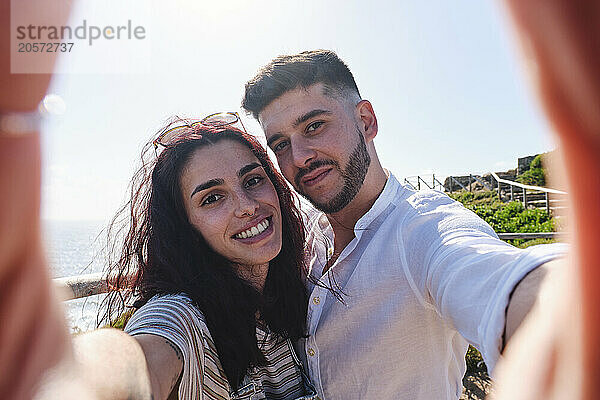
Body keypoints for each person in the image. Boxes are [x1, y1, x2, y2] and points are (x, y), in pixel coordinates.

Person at [241, 50, 567, 399]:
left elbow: (497, 279)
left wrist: (564, 315)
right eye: (280, 144)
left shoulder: (423, 230)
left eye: (314, 127)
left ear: (366, 121)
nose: (299, 156)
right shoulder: (303, 237)